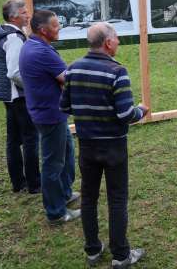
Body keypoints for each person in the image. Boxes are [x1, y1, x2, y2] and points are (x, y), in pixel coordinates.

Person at [60, 23, 148, 268]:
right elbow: (125, 114)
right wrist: (140, 111)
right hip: (114, 147)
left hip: (87, 145)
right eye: (116, 38)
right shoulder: (117, 71)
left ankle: (92, 250)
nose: (118, 42)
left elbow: (64, 107)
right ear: (108, 43)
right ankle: (121, 255)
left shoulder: (72, 69)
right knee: (117, 199)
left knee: (88, 198)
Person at [19, 10, 80, 224]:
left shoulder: (32, 45)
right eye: (55, 26)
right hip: (50, 115)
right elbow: (66, 79)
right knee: (53, 164)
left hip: (49, 112)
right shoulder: (42, 52)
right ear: (43, 30)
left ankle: (64, 194)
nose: (59, 28)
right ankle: (56, 212)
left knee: (66, 153)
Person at [0, 0, 40, 194]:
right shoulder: (13, 38)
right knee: (30, 139)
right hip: (19, 96)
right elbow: (15, 72)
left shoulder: (5, 33)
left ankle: (18, 182)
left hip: (9, 96)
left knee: (13, 140)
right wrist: (33, 87)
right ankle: (35, 184)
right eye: (24, 12)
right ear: (13, 17)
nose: (28, 15)